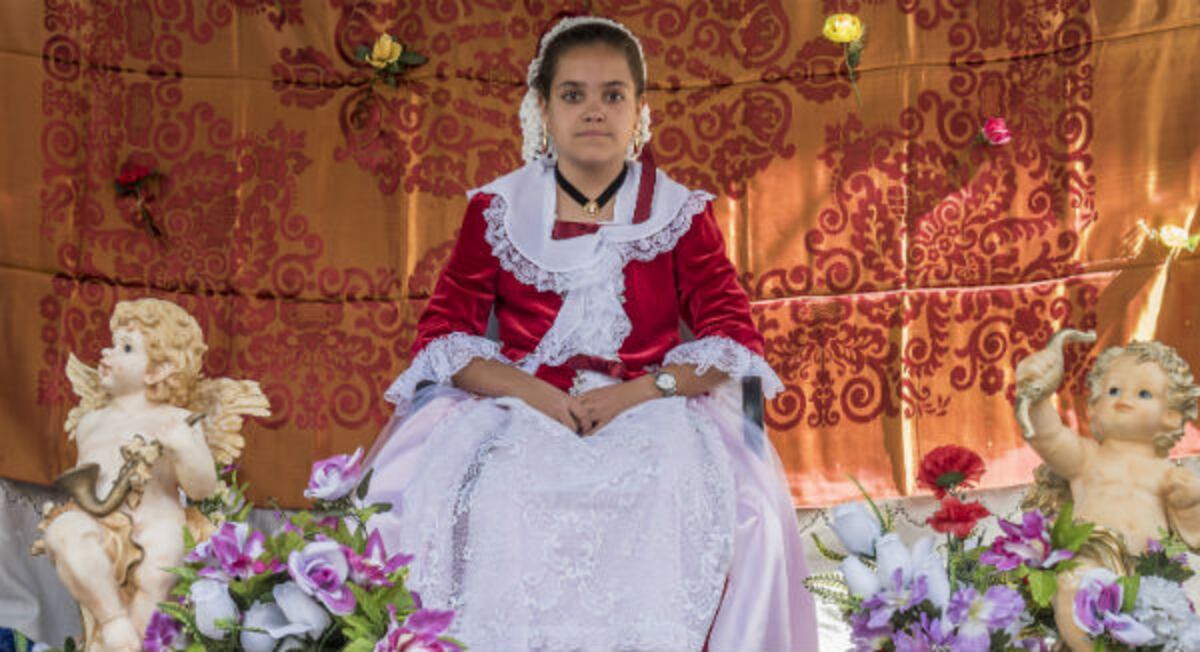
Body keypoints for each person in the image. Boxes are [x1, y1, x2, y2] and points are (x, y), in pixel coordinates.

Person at [365, 16, 817, 651]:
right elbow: (444, 332)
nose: (594, 111)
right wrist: (537, 397)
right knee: (500, 486)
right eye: (573, 94)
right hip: (523, 404)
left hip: (651, 405)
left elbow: (730, 335)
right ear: (543, 110)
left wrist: (637, 392)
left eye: (613, 94)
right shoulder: (495, 209)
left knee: (666, 478)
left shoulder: (681, 213)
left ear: (640, 111)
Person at [33, 298, 269, 651]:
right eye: (112, 342)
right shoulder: (91, 423)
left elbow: (202, 489)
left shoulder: (176, 419)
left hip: (156, 522)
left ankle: (139, 642)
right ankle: (112, 623)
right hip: (99, 521)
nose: (107, 352)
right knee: (63, 532)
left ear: (158, 371)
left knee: (162, 559)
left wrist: (185, 448)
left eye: (125, 348)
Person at [1017, 336, 1200, 651]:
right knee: (1074, 585)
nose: (1123, 398)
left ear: (1171, 414)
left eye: (1143, 393)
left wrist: (1189, 504)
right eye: (1113, 390)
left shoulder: (1170, 476)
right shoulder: (1086, 459)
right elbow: (1049, 438)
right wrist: (1037, 396)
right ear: (1094, 405)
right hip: (1091, 563)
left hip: (1145, 581)